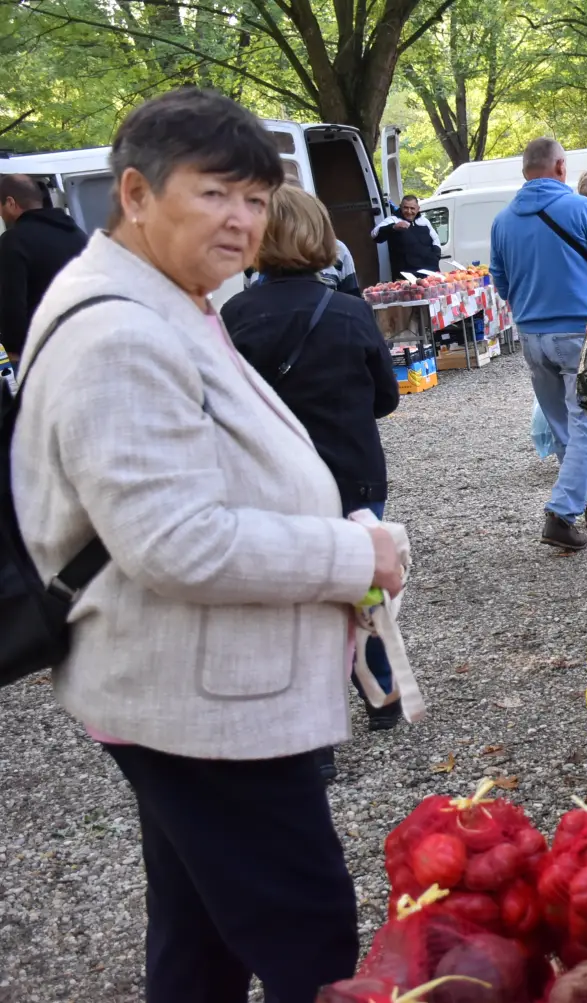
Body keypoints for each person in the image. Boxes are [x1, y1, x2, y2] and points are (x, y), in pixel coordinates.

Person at [12, 87, 407, 1003]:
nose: (242, 222)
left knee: (199, 936)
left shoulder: (162, 295)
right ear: (138, 194)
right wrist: (355, 557)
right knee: (306, 928)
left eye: (257, 200)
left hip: (191, 687)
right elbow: (175, 542)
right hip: (199, 698)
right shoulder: (118, 328)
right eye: (215, 195)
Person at [221, 184, 404, 736]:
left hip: (271, 479)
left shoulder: (234, 315)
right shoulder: (350, 311)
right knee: (363, 588)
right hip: (352, 471)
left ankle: (312, 730)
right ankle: (382, 698)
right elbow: (386, 399)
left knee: (295, 600)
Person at [490, 137, 587, 551]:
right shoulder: (581, 208)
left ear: (525, 170)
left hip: (531, 336)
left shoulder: (503, 220)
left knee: (564, 425)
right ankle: (561, 513)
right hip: (578, 331)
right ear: (561, 168)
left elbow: (501, 282)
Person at [0, 173, 87, 358]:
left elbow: (12, 304)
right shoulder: (76, 234)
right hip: (86, 341)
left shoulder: (14, 241)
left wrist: (14, 349)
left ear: (10, 203)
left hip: (44, 352)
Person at [372, 194, 442, 276]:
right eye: (406, 208)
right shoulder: (393, 220)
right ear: (400, 207)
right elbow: (374, 234)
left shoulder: (424, 221)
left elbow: (436, 239)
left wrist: (435, 257)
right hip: (407, 276)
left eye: (412, 208)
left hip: (430, 272)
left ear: (418, 209)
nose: (409, 211)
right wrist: (393, 227)